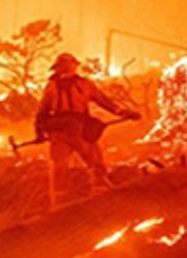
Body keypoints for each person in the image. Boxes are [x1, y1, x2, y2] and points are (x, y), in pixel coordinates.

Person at [36, 53, 138, 207]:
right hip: (62, 132)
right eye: (64, 66)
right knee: (61, 168)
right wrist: (40, 130)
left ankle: (101, 196)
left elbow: (103, 101)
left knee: (93, 163)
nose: (67, 69)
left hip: (78, 129)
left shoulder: (83, 84)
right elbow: (42, 111)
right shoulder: (52, 86)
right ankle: (60, 204)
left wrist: (122, 112)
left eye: (68, 65)